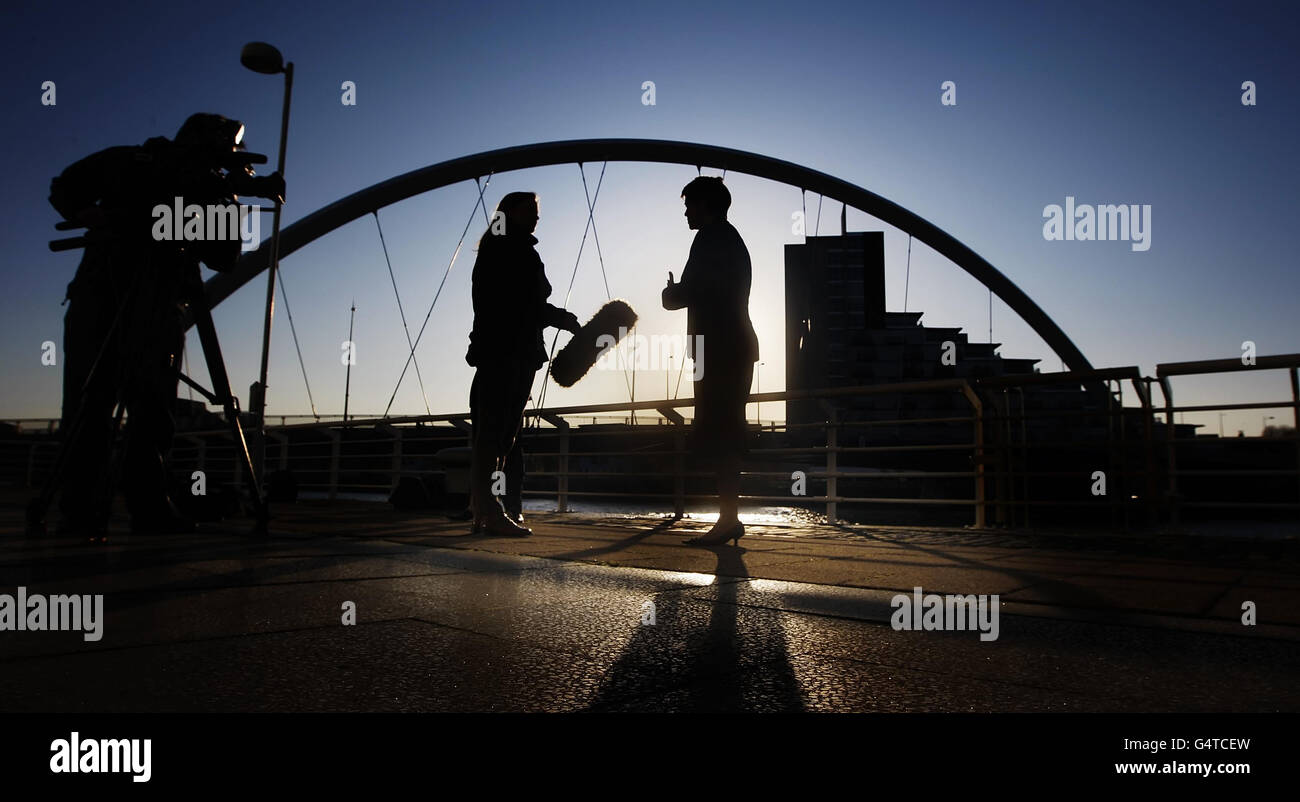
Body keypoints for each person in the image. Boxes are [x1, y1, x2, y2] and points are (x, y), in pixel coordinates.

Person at [49, 113, 284, 536]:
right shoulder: (133, 163)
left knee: (128, 408)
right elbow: (223, 257)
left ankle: (106, 510)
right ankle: (121, 508)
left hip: (138, 300)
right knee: (110, 405)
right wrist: (96, 216)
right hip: (115, 299)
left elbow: (223, 255)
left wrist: (224, 198)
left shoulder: (160, 170)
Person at [466, 192, 580, 536]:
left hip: (500, 350)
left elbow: (509, 303)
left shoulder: (497, 247)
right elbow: (520, 303)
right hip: (510, 352)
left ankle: (483, 509)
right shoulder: (510, 249)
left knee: (493, 433)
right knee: (498, 435)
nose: (537, 217)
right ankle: (491, 509)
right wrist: (561, 317)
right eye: (531, 211)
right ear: (511, 212)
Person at [662, 177, 759, 546]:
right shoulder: (730, 239)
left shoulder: (711, 239)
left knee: (722, 431)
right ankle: (727, 518)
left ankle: (728, 519)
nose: (686, 212)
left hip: (719, 350)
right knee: (726, 429)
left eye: (690, 205)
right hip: (728, 347)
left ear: (706, 204)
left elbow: (696, 289)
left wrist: (671, 294)